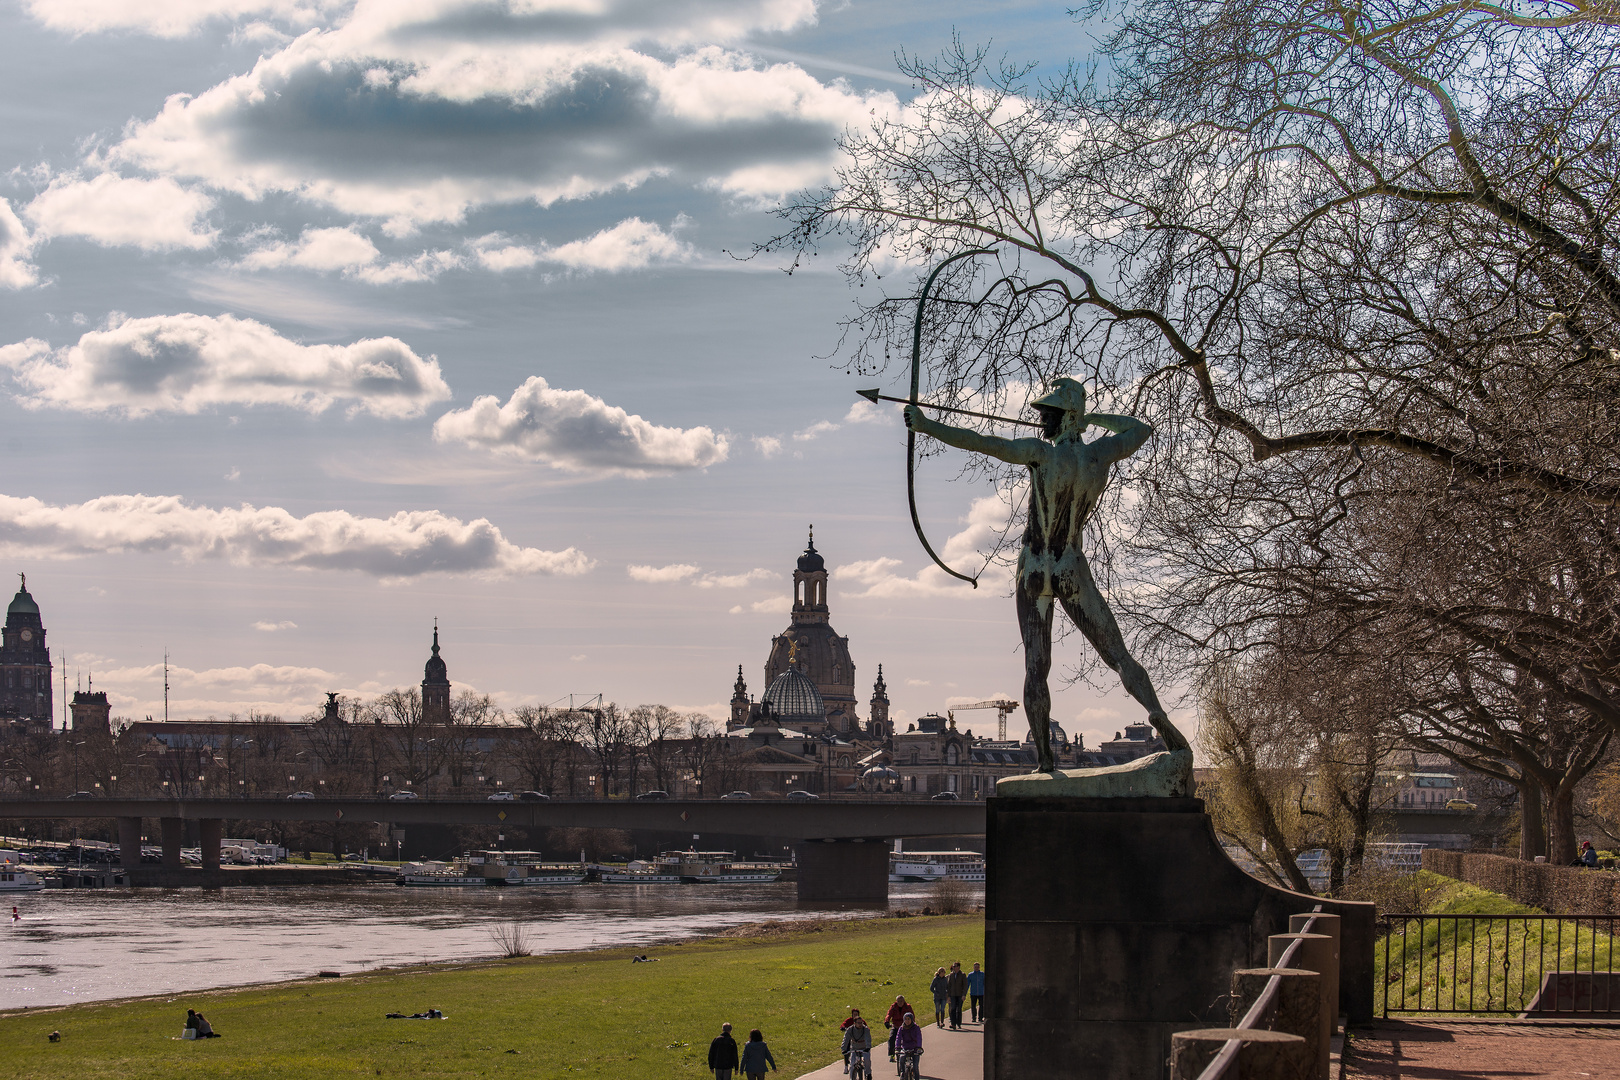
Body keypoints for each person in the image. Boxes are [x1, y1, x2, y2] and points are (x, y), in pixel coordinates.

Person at [906, 380, 1190, 773]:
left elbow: (979, 442)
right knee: (1118, 656)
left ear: (1067, 416)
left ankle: (1044, 761)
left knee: (1036, 668)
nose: (1043, 424)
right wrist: (1091, 420)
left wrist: (928, 426)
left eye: (1050, 415)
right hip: (1071, 564)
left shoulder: (1040, 454)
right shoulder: (1100, 455)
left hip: (1037, 567)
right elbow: (1140, 429)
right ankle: (1156, 714)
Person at [882, 996, 911, 1060]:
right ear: (896, 1001)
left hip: (905, 1026)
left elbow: (912, 1016)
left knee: (908, 1038)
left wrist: (910, 1024)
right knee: (891, 1039)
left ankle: (909, 1053)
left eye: (901, 1001)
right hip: (896, 1026)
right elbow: (889, 1014)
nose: (900, 1003)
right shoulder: (893, 1007)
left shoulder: (907, 1007)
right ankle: (892, 1054)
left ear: (904, 1001)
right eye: (898, 1001)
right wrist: (886, 1021)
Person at [945, 962, 968, 1029]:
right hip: (952, 995)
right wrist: (948, 996)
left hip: (960, 995)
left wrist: (964, 995)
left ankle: (958, 1023)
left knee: (959, 1009)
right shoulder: (951, 975)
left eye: (955, 966)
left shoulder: (963, 975)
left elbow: (965, 986)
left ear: (958, 967)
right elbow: (949, 986)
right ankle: (953, 1023)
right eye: (953, 966)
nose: (953, 967)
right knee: (953, 1009)